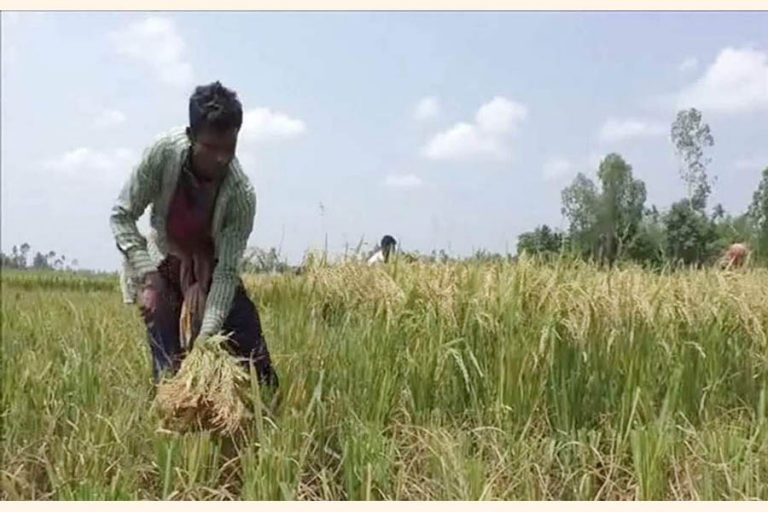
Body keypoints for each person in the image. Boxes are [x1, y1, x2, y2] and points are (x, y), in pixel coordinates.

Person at [110, 81, 278, 388]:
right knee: (166, 348)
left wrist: (205, 340)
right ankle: (171, 403)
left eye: (229, 148)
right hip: (164, 259)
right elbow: (121, 216)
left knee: (251, 347)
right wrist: (148, 277)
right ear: (191, 137)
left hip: (210, 267)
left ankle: (265, 403)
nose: (221, 158)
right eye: (211, 148)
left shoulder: (241, 194)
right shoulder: (163, 154)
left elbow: (226, 273)